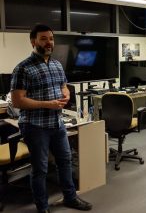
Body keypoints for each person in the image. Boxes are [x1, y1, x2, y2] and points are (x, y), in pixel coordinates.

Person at [10, 24, 92, 213]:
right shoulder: (22, 68)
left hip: (57, 123)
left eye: (51, 38)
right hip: (35, 126)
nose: (49, 42)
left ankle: (70, 198)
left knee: (65, 161)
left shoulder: (56, 64)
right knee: (40, 169)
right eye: (44, 39)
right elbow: (17, 101)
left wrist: (66, 95)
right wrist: (48, 104)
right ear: (33, 42)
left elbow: (63, 85)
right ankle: (42, 207)